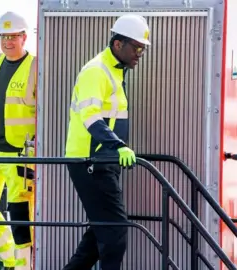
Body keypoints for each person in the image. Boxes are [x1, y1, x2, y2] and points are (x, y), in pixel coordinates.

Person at [63, 14, 150, 270]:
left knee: (97, 236)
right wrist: (118, 145)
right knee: (114, 235)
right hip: (91, 163)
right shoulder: (96, 71)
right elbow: (91, 118)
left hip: (103, 162)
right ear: (117, 44)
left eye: (142, 48)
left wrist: (115, 150)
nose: (140, 53)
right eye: (137, 47)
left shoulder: (113, 70)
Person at [0, 11, 37, 270]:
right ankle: (11, 262)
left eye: (13, 37)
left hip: (19, 155)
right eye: (4, 37)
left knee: (20, 216)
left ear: (24, 37)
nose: (7, 42)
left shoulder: (36, 66)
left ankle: (24, 267)